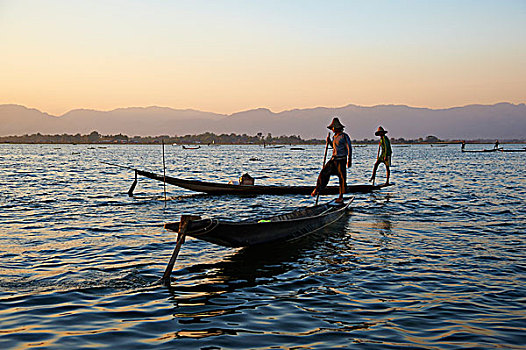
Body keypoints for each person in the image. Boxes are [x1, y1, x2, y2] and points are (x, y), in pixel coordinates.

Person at [311, 117, 352, 203]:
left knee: (342, 178)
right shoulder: (334, 137)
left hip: (341, 160)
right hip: (334, 160)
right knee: (324, 172)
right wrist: (329, 142)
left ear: (336, 128)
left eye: (333, 128)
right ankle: (318, 188)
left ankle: (341, 196)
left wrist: (349, 160)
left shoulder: (344, 136)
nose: (332, 129)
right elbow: (334, 148)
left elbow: (349, 148)